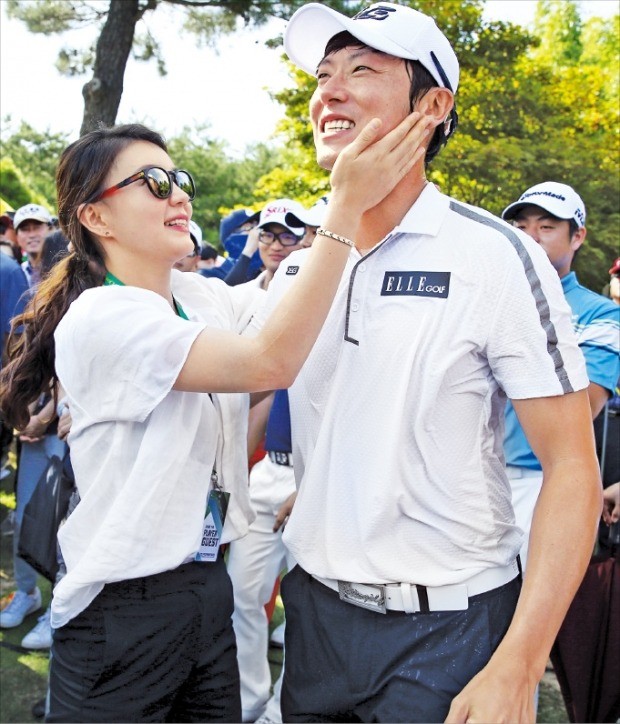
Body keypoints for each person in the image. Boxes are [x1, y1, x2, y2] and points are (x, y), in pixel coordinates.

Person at [0, 118, 430, 722]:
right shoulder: (101, 316)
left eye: (178, 178)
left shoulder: (200, 297)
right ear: (95, 217)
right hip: (123, 605)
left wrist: (375, 206)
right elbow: (270, 362)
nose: (178, 194)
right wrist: (343, 204)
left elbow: (296, 300)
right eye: (152, 182)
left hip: (206, 589)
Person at [250, 4, 602, 722]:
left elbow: (572, 468)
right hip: (315, 616)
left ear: (434, 105)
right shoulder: (303, 266)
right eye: (324, 75)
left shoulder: (495, 255)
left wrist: (520, 663)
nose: (330, 92)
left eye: (363, 71)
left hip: (450, 630)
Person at [501, 182, 620, 568]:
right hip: (465, 476)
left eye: (547, 227)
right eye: (521, 227)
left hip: (538, 480)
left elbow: (582, 410)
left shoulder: (602, 314)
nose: (531, 237)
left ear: (578, 236)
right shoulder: (487, 299)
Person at [226, 198, 312, 723]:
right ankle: (249, 700)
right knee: (242, 594)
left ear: (307, 239)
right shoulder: (234, 299)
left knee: (307, 606)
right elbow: (256, 394)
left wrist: (317, 479)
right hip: (266, 468)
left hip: (315, 473)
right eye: (268, 234)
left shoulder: (327, 297)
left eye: (288, 234)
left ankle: (285, 709)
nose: (277, 242)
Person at [14, 203, 53, 289]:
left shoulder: (65, 269)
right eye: (25, 229)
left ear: (50, 230)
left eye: (37, 227)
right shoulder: (16, 273)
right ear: (16, 237)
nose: (32, 234)